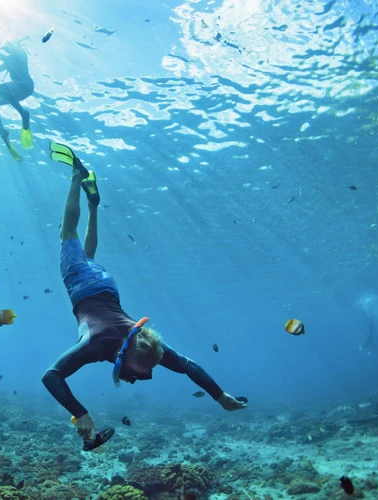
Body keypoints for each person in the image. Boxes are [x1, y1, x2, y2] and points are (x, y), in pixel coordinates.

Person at [42, 142, 248, 444]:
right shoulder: (97, 343)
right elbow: (50, 376)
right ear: (125, 355)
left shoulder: (145, 349)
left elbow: (189, 366)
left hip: (107, 286)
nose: (139, 378)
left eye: (144, 374)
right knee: (67, 235)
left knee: (88, 255)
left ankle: (94, 206)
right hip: (85, 287)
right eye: (137, 373)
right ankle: (76, 175)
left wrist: (222, 397)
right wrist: (80, 411)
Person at [0, 40, 34, 162]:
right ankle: (2, 131)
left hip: (25, 86)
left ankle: (23, 113)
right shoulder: (8, 60)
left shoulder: (21, 53)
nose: (6, 50)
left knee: (0, 88)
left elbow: (3, 56)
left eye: (7, 47)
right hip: (15, 92)